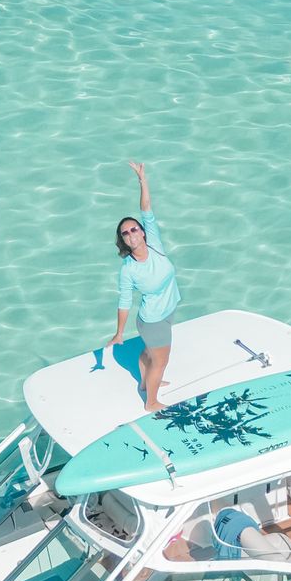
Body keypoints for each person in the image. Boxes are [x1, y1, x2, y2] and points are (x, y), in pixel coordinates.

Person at [110, 159, 181, 412]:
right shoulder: (129, 269)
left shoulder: (154, 243)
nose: (131, 234)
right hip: (152, 320)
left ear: (142, 232)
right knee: (160, 361)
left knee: (151, 354)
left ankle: (144, 383)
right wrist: (119, 333)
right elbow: (124, 301)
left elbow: (147, 208)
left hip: (168, 310)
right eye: (125, 234)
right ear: (124, 242)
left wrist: (142, 180)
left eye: (133, 229)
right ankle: (151, 401)